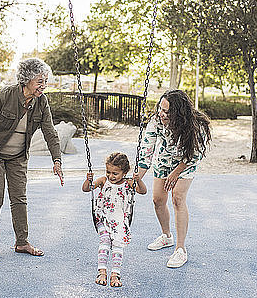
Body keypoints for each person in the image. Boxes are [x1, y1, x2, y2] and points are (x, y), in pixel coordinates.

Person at [0, 58, 64, 264]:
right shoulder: (5, 96)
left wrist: (56, 160)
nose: (44, 85)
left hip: (18, 157)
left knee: (19, 198)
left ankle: (22, 242)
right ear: (27, 80)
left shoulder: (42, 101)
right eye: (40, 81)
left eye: (45, 81)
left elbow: (50, 131)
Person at [137, 89, 211, 268]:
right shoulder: (156, 121)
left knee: (177, 198)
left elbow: (195, 154)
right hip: (164, 160)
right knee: (157, 200)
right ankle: (166, 236)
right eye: (160, 109)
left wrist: (176, 172)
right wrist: (137, 177)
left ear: (178, 112)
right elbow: (147, 149)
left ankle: (180, 249)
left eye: (167, 112)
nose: (162, 114)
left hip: (186, 162)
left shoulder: (195, 125)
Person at [82, 152, 147, 287]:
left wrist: (138, 180)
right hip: (102, 217)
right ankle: (102, 272)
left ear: (124, 173)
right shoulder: (103, 181)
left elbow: (143, 191)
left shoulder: (129, 183)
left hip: (120, 221)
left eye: (115, 173)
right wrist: (88, 180)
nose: (111, 176)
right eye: (108, 172)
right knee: (105, 239)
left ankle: (115, 274)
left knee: (118, 244)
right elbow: (87, 189)